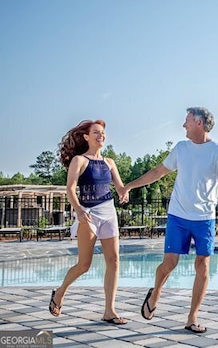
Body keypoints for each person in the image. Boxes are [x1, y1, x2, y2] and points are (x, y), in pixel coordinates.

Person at [120, 107, 218, 334]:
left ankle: (192, 316)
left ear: (199, 123)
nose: (183, 125)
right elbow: (157, 172)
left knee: (203, 266)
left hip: (204, 218)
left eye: (186, 121)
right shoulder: (181, 148)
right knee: (169, 264)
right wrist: (129, 185)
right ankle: (155, 292)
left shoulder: (217, 151)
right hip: (178, 215)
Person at [49, 119, 128, 325]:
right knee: (84, 264)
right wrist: (79, 210)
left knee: (114, 261)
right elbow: (70, 188)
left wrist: (124, 193)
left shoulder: (109, 162)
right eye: (96, 132)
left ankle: (109, 311)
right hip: (88, 214)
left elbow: (120, 187)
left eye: (102, 133)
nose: (101, 135)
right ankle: (59, 293)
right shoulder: (79, 161)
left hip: (109, 212)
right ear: (86, 137)